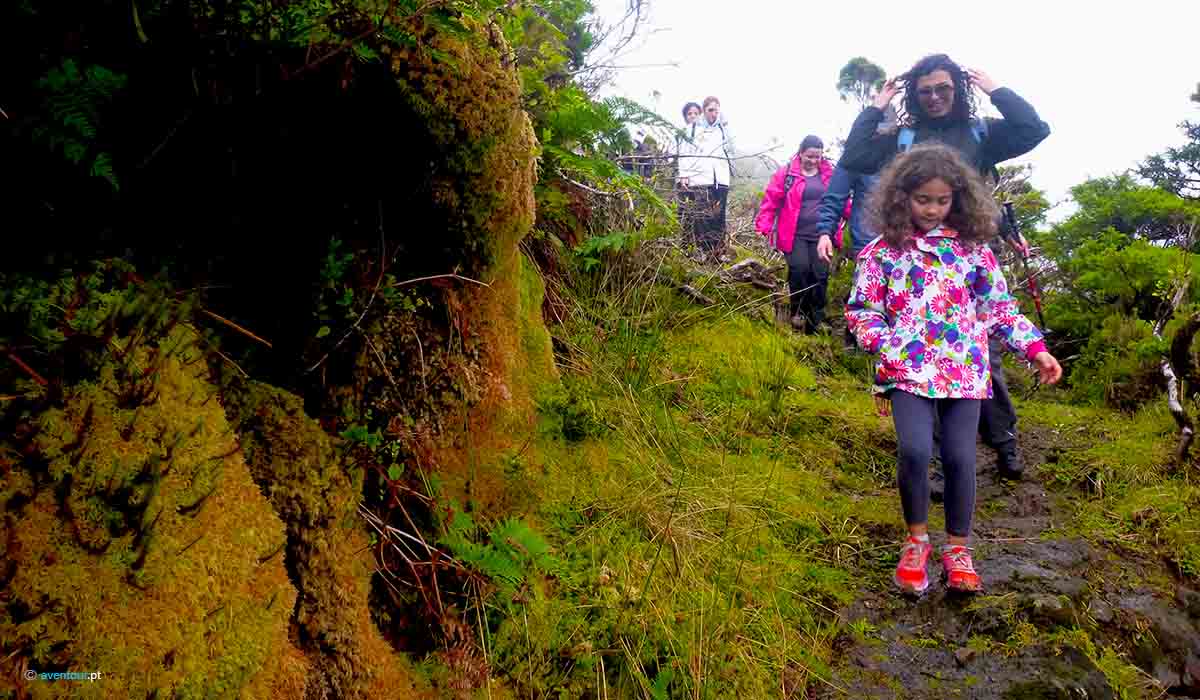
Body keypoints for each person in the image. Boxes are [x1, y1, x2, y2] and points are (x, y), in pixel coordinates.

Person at [846, 143, 1062, 594]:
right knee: (916, 451)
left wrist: (1035, 349)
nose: (931, 208)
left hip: (965, 371)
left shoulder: (974, 252)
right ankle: (917, 540)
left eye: (942, 200)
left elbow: (999, 308)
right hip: (906, 370)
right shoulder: (881, 252)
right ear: (901, 196)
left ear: (957, 200)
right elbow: (863, 310)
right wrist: (886, 346)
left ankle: (958, 549)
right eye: (922, 199)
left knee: (962, 458)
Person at [828, 53, 1051, 480]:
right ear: (915, 92)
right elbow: (854, 155)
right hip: (911, 258)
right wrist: (877, 105)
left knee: (985, 350)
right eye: (926, 90)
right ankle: (928, 458)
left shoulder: (979, 132)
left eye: (943, 89)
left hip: (969, 252)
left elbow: (1033, 129)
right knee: (916, 352)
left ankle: (1003, 442)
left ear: (958, 89)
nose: (934, 97)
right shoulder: (904, 136)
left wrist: (995, 89)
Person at [755, 135, 849, 332]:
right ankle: (797, 312)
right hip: (794, 234)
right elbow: (771, 199)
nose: (814, 160)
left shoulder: (829, 175)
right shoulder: (787, 174)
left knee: (820, 275)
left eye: (818, 156)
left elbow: (840, 201)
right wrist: (763, 225)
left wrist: (856, 213)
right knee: (799, 270)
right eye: (810, 156)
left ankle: (816, 319)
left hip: (822, 235)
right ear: (801, 153)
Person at [685, 96, 735, 255]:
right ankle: (702, 251)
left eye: (716, 110)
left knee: (719, 216)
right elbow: (685, 153)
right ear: (704, 111)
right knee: (702, 217)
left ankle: (718, 252)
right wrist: (684, 175)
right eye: (710, 110)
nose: (714, 113)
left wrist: (725, 127)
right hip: (701, 179)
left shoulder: (722, 129)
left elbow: (731, 150)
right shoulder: (694, 128)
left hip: (720, 179)